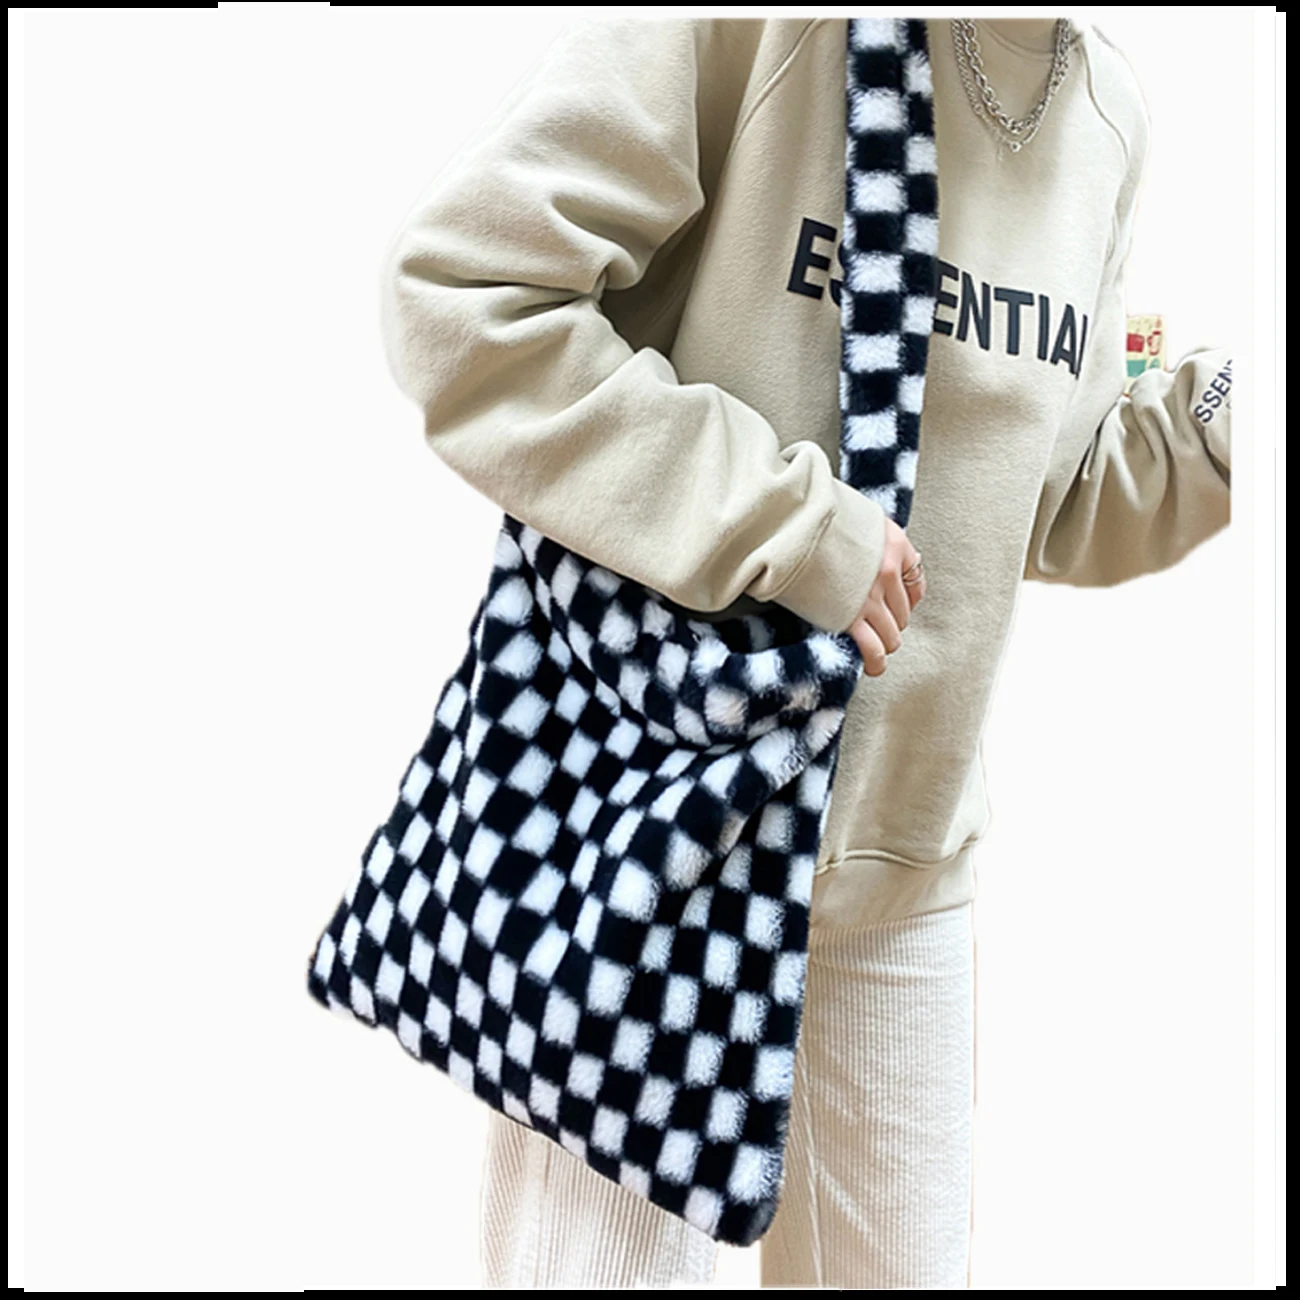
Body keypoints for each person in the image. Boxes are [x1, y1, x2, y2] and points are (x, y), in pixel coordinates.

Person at [375, 15, 1232, 1289]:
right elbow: (465, 297)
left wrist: (1226, 421)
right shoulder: (764, 29)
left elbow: (1048, 494)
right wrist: (791, 524)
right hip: (670, 832)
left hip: (900, 864)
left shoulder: (1104, 107)